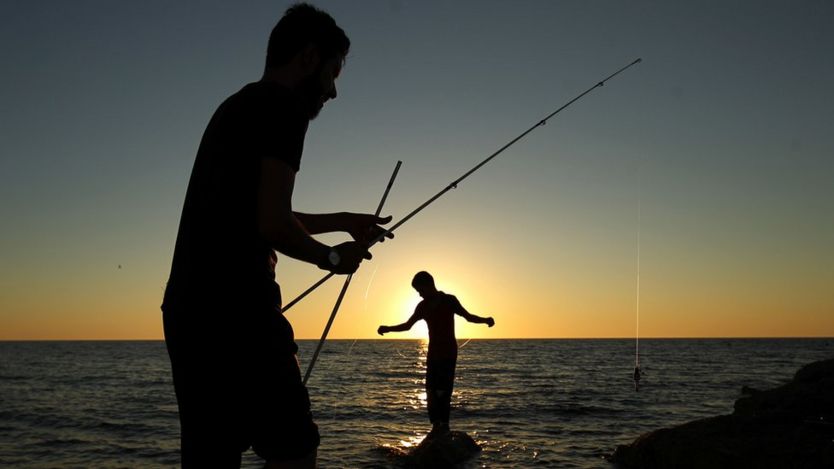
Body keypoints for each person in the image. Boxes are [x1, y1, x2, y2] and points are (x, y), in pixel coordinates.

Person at [161, 4, 392, 468]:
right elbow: (272, 224)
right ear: (308, 58)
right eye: (333, 72)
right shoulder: (284, 107)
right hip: (239, 311)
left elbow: (260, 212)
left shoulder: (237, 106)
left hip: (190, 313)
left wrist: (342, 219)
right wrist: (332, 259)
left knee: (212, 456)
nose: (333, 91)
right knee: (294, 449)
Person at [377, 271, 495, 436]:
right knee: (431, 390)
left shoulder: (449, 300)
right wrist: (387, 328)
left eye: (420, 290)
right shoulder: (422, 306)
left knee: (444, 390)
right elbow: (407, 325)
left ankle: (444, 425)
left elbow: (468, 317)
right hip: (433, 354)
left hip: (448, 352)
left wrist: (485, 320)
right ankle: (435, 425)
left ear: (429, 285)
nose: (419, 294)